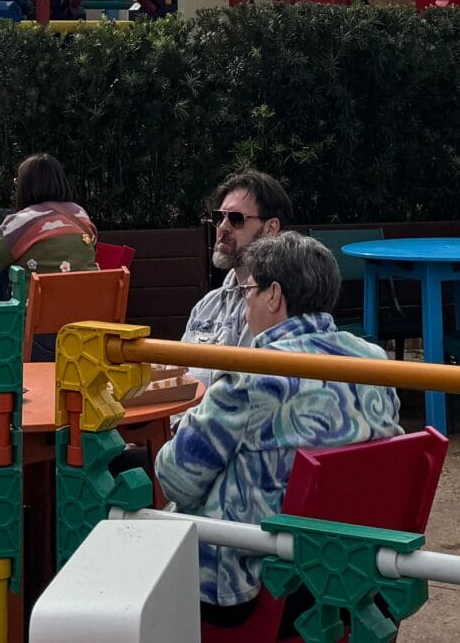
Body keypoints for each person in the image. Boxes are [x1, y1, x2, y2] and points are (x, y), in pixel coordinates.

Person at [156, 233, 400, 620]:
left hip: (252, 582)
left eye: (248, 289)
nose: (245, 300)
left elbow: (176, 480)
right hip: (347, 568)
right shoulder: (374, 361)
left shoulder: (252, 374)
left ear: (273, 295)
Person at [186, 170, 293, 347]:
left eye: (236, 219)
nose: (223, 227)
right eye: (219, 217)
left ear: (270, 228)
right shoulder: (207, 305)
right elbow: (176, 368)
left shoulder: (277, 307)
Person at [0, 154, 97, 276]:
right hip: (88, 298)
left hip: (36, 299)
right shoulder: (80, 214)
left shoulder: (22, 221)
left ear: (24, 186)